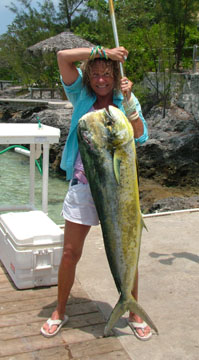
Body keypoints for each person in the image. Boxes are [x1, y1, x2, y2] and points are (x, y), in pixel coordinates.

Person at [40, 45, 151, 340]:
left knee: (128, 252)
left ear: (116, 77)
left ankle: (133, 310)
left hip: (120, 189)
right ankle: (60, 310)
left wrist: (130, 104)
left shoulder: (125, 99)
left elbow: (140, 135)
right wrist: (103, 52)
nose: (101, 80)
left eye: (107, 74)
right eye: (96, 74)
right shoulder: (80, 96)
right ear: (88, 77)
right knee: (70, 252)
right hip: (84, 187)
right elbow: (63, 57)